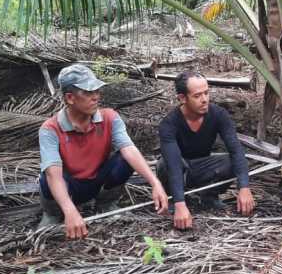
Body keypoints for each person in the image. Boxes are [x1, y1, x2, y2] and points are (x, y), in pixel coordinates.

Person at [38, 64, 169, 239]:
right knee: (47, 175)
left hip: (95, 181)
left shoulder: (109, 117)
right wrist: (69, 210)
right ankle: (53, 214)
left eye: (97, 91)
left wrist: (155, 183)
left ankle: (107, 203)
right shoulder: (50, 129)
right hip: (67, 186)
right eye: (88, 93)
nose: (96, 97)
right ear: (70, 98)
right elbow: (54, 175)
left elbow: (129, 149)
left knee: (125, 159)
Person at [157, 71, 256, 230]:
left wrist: (244, 187)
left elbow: (236, 149)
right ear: (182, 98)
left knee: (233, 160)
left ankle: (208, 196)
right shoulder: (169, 124)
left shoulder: (218, 115)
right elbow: (174, 165)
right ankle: (173, 199)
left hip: (202, 168)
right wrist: (180, 204)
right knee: (164, 164)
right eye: (197, 96)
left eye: (206, 93)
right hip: (178, 170)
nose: (204, 100)